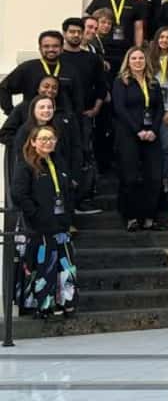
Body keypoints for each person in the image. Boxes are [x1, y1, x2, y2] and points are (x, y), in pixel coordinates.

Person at [12, 125, 78, 317]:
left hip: (61, 226)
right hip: (40, 228)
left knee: (65, 267)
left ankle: (66, 302)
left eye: (51, 139)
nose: (48, 142)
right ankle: (44, 305)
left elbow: (66, 192)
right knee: (44, 267)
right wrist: (36, 215)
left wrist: (68, 215)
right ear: (33, 142)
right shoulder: (25, 165)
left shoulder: (58, 163)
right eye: (43, 139)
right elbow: (19, 194)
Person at [112, 48, 165, 232]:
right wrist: (138, 130)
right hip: (129, 134)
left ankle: (150, 217)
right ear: (128, 61)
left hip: (151, 135)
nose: (137, 61)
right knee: (130, 177)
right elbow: (120, 108)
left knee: (154, 177)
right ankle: (131, 217)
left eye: (141, 58)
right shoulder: (121, 82)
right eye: (133, 58)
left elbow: (159, 109)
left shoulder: (153, 82)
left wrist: (154, 130)